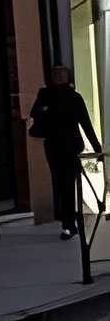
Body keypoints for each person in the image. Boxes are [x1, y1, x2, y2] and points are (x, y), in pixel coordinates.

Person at [29, 62, 100, 238]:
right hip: (61, 146)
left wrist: (96, 146)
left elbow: (85, 123)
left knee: (64, 183)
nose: (58, 77)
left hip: (63, 146)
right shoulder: (51, 95)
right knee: (63, 183)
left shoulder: (65, 97)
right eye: (56, 74)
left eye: (60, 74)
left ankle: (68, 222)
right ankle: (69, 221)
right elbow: (35, 112)